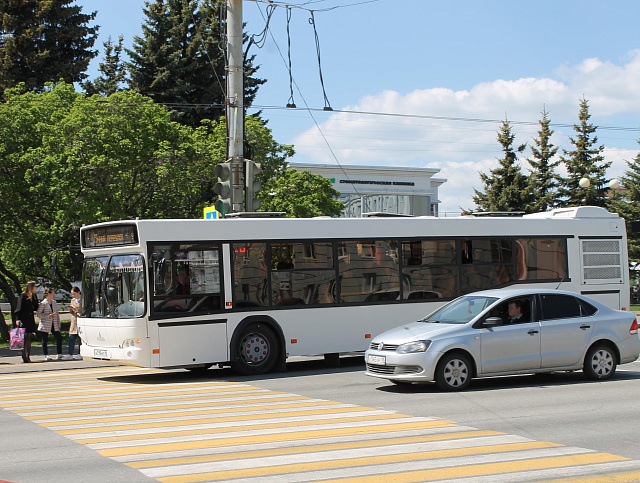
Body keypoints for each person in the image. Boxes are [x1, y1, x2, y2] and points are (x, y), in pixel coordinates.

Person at [14, 281, 39, 363]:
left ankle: (28, 355)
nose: (36, 288)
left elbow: (36, 307)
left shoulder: (34, 296)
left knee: (29, 337)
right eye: (35, 286)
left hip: (30, 318)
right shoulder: (23, 295)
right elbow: (19, 308)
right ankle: (24, 356)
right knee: (23, 338)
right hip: (24, 318)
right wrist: (18, 319)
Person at [36, 288, 63, 361]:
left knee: (59, 337)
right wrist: (48, 316)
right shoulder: (43, 303)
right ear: (48, 294)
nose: (54, 295)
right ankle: (46, 355)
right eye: (52, 294)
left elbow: (57, 314)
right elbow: (38, 314)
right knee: (45, 339)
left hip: (54, 323)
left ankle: (59, 354)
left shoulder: (54, 302)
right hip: (46, 324)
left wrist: (59, 324)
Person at [61, 287, 82, 361]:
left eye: (74, 294)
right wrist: (71, 310)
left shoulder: (83, 300)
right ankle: (70, 354)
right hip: (74, 320)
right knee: (71, 337)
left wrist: (76, 311)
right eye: (72, 294)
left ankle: (80, 353)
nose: (73, 295)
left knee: (80, 338)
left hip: (80, 320)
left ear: (78, 292)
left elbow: (82, 311)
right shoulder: (72, 300)